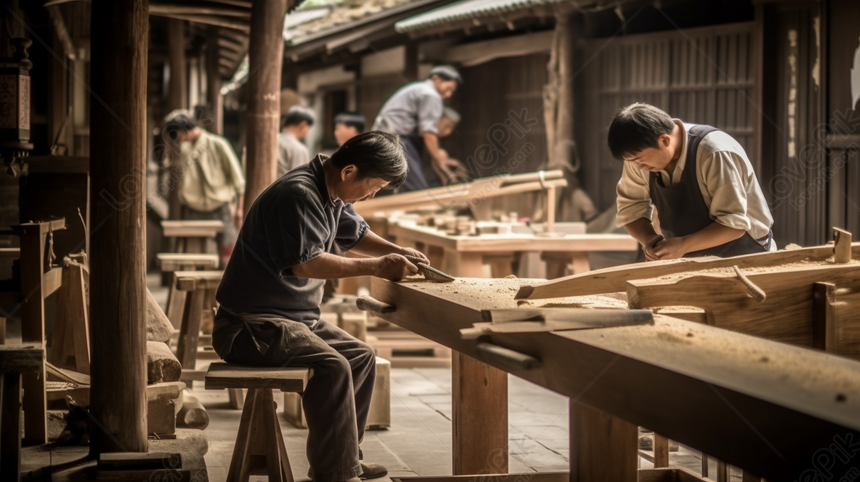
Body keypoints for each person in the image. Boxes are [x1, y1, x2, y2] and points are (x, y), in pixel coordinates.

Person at [213, 131, 429, 481]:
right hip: (249, 327)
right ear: (349, 172)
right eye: (374, 187)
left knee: (360, 357)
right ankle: (335, 474)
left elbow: (355, 235)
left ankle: (346, 460)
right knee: (333, 367)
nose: (373, 195)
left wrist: (399, 252)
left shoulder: (330, 191)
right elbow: (306, 264)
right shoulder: (298, 194)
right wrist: (378, 266)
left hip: (293, 322)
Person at [610, 103, 775, 260]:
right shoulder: (638, 157)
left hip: (745, 253)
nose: (637, 166)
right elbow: (631, 209)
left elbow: (734, 224)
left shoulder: (715, 152)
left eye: (638, 159)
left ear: (664, 140)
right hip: (686, 257)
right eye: (631, 160)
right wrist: (650, 240)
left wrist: (682, 245)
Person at [165, 110, 245, 264]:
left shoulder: (218, 144)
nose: (178, 139)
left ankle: (227, 287)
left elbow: (238, 179)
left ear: (181, 130)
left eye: (177, 134)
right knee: (193, 256)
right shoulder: (185, 149)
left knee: (228, 255)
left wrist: (239, 209)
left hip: (221, 207)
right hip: (193, 209)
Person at [372, 65, 462, 191]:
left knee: (401, 183)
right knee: (417, 187)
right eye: (448, 88)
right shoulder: (431, 94)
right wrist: (440, 160)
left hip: (384, 138)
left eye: (452, 91)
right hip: (397, 140)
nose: (448, 94)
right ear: (436, 78)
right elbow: (428, 132)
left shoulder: (418, 87)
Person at [278, 105, 315, 177]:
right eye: (308, 128)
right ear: (303, 125)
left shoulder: (272, 140)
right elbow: (299, 179)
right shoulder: (299, 149)